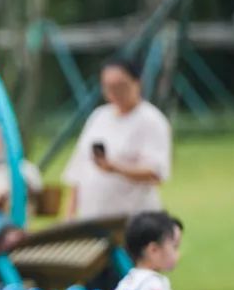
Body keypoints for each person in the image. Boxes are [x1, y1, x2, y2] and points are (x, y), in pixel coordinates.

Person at [62, 58, 172, 220]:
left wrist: (116, 167)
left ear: (137, 83)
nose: (115, 92)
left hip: (133, 219)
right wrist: (69, 215)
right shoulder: (99, 116)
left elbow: (155, 173)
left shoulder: (151, 120)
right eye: (108, 87)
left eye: (120, 86)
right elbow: (79, 169)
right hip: (93, 217)